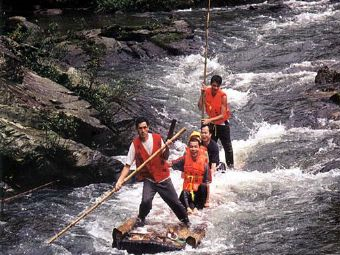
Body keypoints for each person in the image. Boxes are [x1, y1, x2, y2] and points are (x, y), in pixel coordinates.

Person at [115, 117, 189, 226]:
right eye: (140, 128)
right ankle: (141, 218)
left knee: (175, 203)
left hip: (163, 178)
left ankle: (186, 221)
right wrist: (119, 181)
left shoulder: (157, 138)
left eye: (145, 127)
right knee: (145, 201)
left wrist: (167, 147)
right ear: (137, 129)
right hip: (149, 179)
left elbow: (165, 156)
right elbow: (127, 166)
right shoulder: (134, 144)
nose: (143, 130)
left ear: (148, 127)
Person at [198, 75, 234, 168]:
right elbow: (200, 107)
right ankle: (210, 166)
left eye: (218, 86)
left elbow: (222, 115)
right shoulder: (206, 91)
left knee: (227, 147)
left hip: (222, 124)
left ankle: (231, 166)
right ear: (211, 84)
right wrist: (201, 94)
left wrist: (209, 120)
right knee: (208, 144)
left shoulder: (223, 96)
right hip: (212, 124)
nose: (215, 88)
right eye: (214, 85)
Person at [171, 134, 209, 214]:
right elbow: (171, 164)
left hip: (198, 194)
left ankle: (196, 208)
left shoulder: (204, 164)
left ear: (199, 148)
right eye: (191, 147)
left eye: (195, 147)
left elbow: (207, 184)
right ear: (188, 148)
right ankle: (188, 208)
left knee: (203, 186)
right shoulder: (184, 159)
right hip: (187, 192)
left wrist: (207, 201)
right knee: (185, 191)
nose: (193, 149)